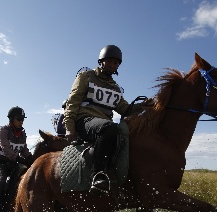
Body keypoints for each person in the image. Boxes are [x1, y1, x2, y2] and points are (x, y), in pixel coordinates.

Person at [63, 44, 153, 193]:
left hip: (103, 124)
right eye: (109, 61)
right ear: (101, 62)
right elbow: (73, 102)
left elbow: (124, 108)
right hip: (84, 120)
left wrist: (142, 106)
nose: (113, 65)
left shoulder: (115, 88)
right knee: (110, 128)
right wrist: (69, 127)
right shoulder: (86, 76)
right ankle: (97, 175)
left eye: (116, 63)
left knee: (121, 132)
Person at [0, 106, 33, 212]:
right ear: (11, 119)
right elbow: (6, 149)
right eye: (19, 119)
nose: (21, 121)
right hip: (0, 163)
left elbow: (24, 149)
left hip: (14, 164)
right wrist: (19, 159)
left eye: (23, 119)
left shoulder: (22, 133)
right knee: (0, 182)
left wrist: (29, 157)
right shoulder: (3, 131)